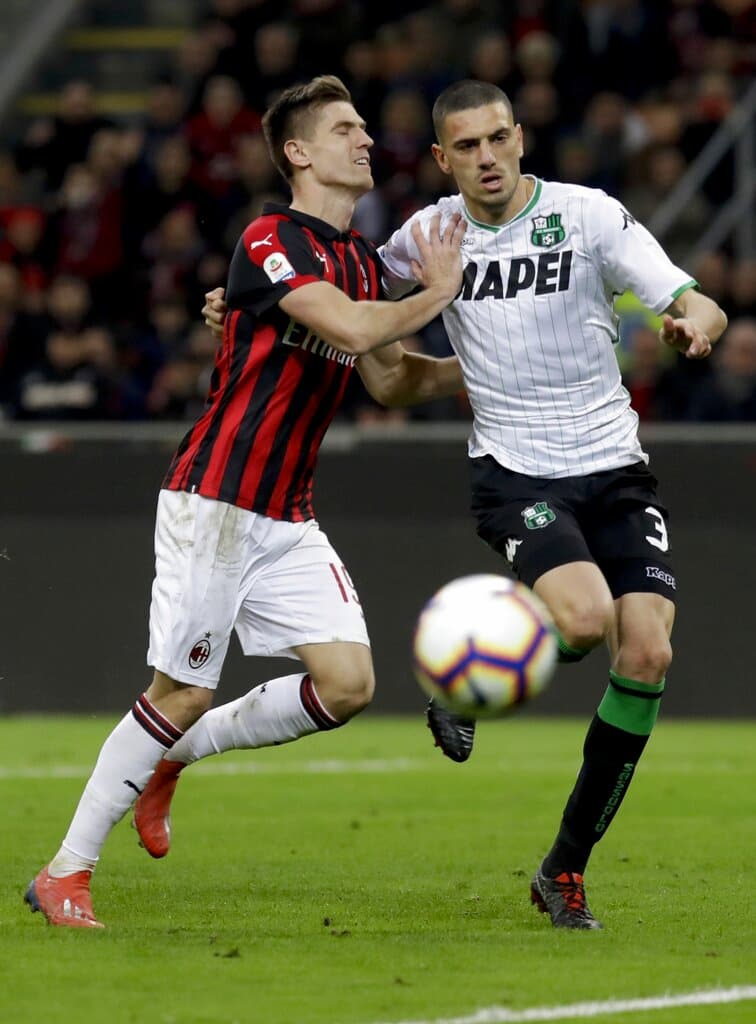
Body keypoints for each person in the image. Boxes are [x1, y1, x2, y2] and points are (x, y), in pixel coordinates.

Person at [192, 79, 727, 931]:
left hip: (616, 466)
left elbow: (697, 297)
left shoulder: (589, 217)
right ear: (444, 159)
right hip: (516, 472)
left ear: (520, 139)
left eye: (498, 140)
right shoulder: (426, 238)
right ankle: (466, 676)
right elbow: (337, 292)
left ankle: (563, 871)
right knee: (586, 621)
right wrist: (243, 301)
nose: (486, 158)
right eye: (466, 147)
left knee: (649, 653)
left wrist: (694, 322)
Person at [25, 74, 466, 929]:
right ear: (299, 152)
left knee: (346, 685)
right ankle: (64, 873)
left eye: (366, 127)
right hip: (218, 500)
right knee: (179, 690)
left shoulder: (362, 266)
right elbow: (345, 329)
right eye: (345, 129)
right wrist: (437, 295)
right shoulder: (271, 237)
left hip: (287, 514)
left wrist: (482, 373)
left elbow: (390, 377)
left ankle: (168, 761)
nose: (366, 139)